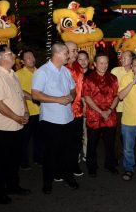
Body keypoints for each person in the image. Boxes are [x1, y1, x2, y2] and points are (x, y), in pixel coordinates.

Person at [0, 45, 31, 204]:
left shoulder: (12, 74)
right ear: (0, 58)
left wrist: (25, 112)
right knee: (1, 162)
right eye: (10, 54)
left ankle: (13, 186)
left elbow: (20, 95)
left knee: (14, 160)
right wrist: (17, 117)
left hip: (17, 126)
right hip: (2, 128)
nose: (13, 56)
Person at [32, 42, 78, 194]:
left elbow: (73, 89)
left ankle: (68, 176)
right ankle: (47, 182)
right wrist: (58, 99)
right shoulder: (42, 72)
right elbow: (35, 94)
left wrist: (71, 96)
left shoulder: (65, 71)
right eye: (66, 53)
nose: (69, 56)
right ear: (57, 54)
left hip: (68, 118)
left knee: (68, 151)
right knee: (50, 153)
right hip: (51, 121)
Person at [83, 53, 119, 177]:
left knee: (110, 143)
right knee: (92, 143)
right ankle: (91, 167)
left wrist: (108, 111)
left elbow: (117, 96)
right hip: (94, 116)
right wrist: (100, 111)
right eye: (101, 63)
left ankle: (110, 164)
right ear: (95, 64)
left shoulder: (113, 78)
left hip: (110, 115)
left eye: (106, 63)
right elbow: (87, 97)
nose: (104, 65)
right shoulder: (89, 78)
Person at [16, 50, 42, 170]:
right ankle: (23, 161)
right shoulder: (18, 74)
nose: (31, 59)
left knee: (39, 138)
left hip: (41, 111)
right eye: (28, 58)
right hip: (27, 112)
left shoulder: (41, 72)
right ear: (22, 61)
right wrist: (34, 97)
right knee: (24, 139)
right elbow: (19, 91)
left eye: (32, 56)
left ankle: (38, 158)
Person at [65, 42, 84, 177]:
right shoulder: (61, 68)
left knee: (76, 140)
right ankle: (62, 166)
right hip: (64, 111)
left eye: (76, 50)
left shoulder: (79, 67)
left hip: (78, 110)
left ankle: (73, 164)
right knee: (64, 141)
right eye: (72, 51)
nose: (75, 53)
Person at [111, 50, 134, 162]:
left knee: (130, 135)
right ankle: (115, 157)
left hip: (132, 108)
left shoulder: (135, 72)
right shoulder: (115, 70)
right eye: (121, 57)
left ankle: (129, 156)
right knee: (117, 134)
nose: (122, 59)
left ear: (132, 59)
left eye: (125, 57)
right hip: (118, 108)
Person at [77, 50, 91, 162]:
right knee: (76, 134)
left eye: (85, 59)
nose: (83, 61)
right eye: (80, 59)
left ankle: (86, 154)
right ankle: (76, 154)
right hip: (75, 108)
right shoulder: (73, 73)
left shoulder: (93, 74)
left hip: (90, 108)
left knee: (87, 134)